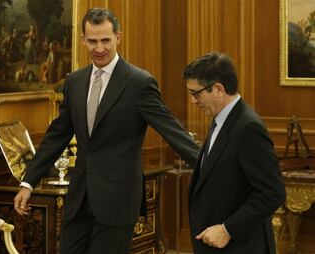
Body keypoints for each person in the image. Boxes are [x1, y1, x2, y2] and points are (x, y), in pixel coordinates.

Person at [14, 8, 200, 254]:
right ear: (83, 40)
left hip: (118, 202)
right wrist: (28, 181)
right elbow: (57, 135)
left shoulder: (139, 83)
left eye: (105, 40)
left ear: (118, 38)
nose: (98, 48)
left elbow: (172, 131)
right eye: (92, 41)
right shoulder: (75, 82)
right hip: (78, 200)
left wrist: (209, 168)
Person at [183, 51, 286, 254]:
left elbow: (272, 193)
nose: (194, 101)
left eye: (197, 93)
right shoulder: (221, 120)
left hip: (241, 246)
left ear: (218, 89)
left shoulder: (248, 128)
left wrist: (228, 229)